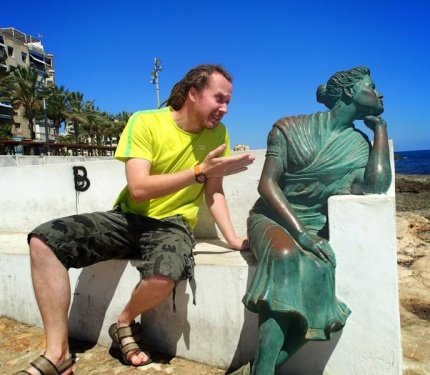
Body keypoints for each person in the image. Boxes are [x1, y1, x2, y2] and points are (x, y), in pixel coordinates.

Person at [16, 64, 254, 375]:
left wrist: (234, 239)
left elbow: (214, 192)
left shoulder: (218, 134)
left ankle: (124, 322)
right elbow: (139, 189)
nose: (224, 109)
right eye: (219, 99)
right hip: (128, 218)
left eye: (228, 102)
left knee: (164, 274)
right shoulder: (145, 122)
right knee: (44, 240)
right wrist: (199, 171)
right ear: (193, 94)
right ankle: (57, 352)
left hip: (173, 225)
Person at [234, 66, 391, 374]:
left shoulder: (359, 146)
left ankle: (259, 369)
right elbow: (267, 185)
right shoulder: (289, 128)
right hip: (272, 219)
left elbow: (376, 185)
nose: (379, 93)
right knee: (284, 255)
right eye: (372, 86)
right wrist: (301, 234)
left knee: (321, 278)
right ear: (349, 92)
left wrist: (381, 131)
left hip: (315, 228)